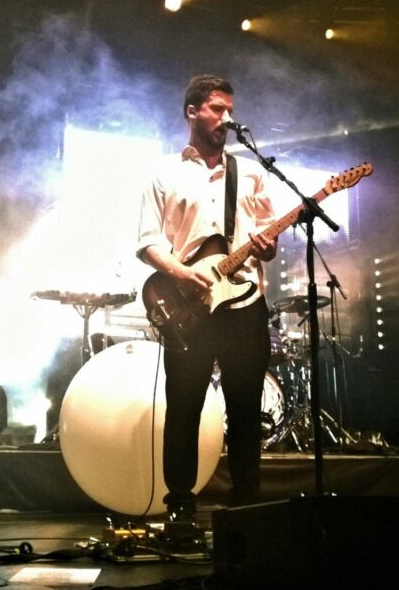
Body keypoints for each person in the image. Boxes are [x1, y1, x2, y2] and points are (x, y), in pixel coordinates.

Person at [137, 74, 277, 521]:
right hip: (189, 306)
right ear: (192, 111)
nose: (227, 118)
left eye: (230, 110)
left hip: (244, 304)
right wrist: (183, 273)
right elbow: (148, 242)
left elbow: (267, 237)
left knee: (245, 410)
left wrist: (269, 246)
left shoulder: (251, 171)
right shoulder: (165, 171)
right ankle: (180, 506)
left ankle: (247, 506)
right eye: (218, 109)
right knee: (184, 408)